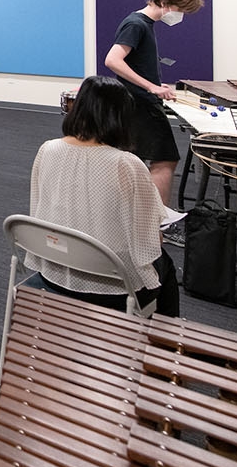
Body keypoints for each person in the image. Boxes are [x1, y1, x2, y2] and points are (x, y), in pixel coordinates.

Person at [25, 75, 179, 316]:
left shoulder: (47, 149)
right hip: (112, 289)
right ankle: (163, 346)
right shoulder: (126, 164)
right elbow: (149, 239)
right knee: (165, 266)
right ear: (121, 117)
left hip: (53, 270)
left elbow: (39, 208)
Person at [102, 0, 206, 210]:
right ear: (165, 1)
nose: (181, 15)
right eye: (181, 9)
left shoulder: (143, 24)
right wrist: (151, 87)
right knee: (165, 159)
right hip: (139, 105)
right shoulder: (136, 24)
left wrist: (158, 85)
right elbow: (112, 60)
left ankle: (136, 219)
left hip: (138, 101)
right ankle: (161, 223)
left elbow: (136, 63)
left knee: (136, 162)